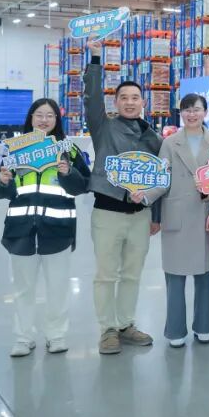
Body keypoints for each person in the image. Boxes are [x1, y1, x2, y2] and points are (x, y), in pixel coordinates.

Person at [0, 98, 90, 357]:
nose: (44, 120)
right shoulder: (15, 150)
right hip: (20, 230)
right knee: (23, 289)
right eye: (39, 115)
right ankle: (23, 337)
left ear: (57, 120)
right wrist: (3, 181)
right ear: (30, 118)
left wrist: (68, 173)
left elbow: (84, 185)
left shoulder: (68, 149)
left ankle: (56, 335)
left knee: (58, 287)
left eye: (50, 115)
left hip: (58, 230)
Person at [84, 42, 163, 355]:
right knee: (106, 275)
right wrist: (95, 59)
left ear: (143, 102)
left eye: (135, 97)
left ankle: (126, 323)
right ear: (115, 102)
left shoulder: (152, 136)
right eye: (124, 97)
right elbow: (91, 99)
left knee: (132, 273)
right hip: (107, 212)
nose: (130, 102)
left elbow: (160, 178)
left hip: (140, 216)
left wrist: (156, 215)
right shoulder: (103, 127)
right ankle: (107, 329)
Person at [142, 94, 209, 348]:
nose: (191, 114)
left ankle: (204, 326)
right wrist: (144, 195)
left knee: (206, 274)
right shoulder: (169, 143)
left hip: (207, 215)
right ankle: (175, 329)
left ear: (205, 112)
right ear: (181, 113)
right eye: (186, 110)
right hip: (176, 215)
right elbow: (161, 179)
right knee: (175, 277)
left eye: (196, 109)